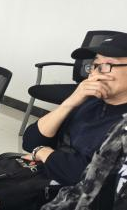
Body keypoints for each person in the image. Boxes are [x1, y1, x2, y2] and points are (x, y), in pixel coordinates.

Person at [21, 34, 127, 187]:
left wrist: (43, 152)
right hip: (41, 181)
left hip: (73, 198)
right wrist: (69, 102)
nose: (96, 73)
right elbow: (31, 141)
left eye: (107, 65)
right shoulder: (89, 100)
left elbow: (92, 178)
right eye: (95, 65)